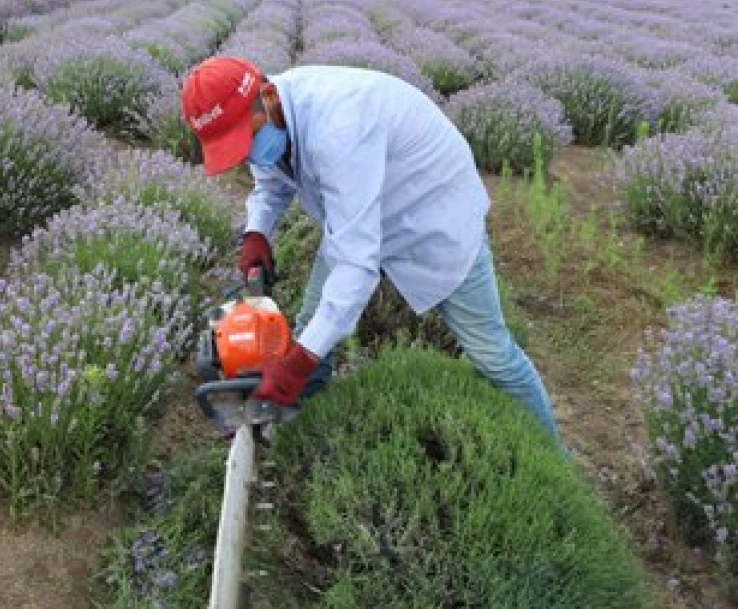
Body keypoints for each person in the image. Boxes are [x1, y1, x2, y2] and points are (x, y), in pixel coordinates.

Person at [180, 56, 563, 442]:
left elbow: (356, 267)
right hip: (355, 215)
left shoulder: (340, 126)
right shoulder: (272, 116)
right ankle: (290, 432)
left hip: (432, 215)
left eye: (245, 139)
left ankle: (554, 463)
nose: (246, 154)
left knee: (493, 356)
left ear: (268, 95)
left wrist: (298, 363)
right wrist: (257, 232)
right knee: (312, 331)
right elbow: (272, 183)